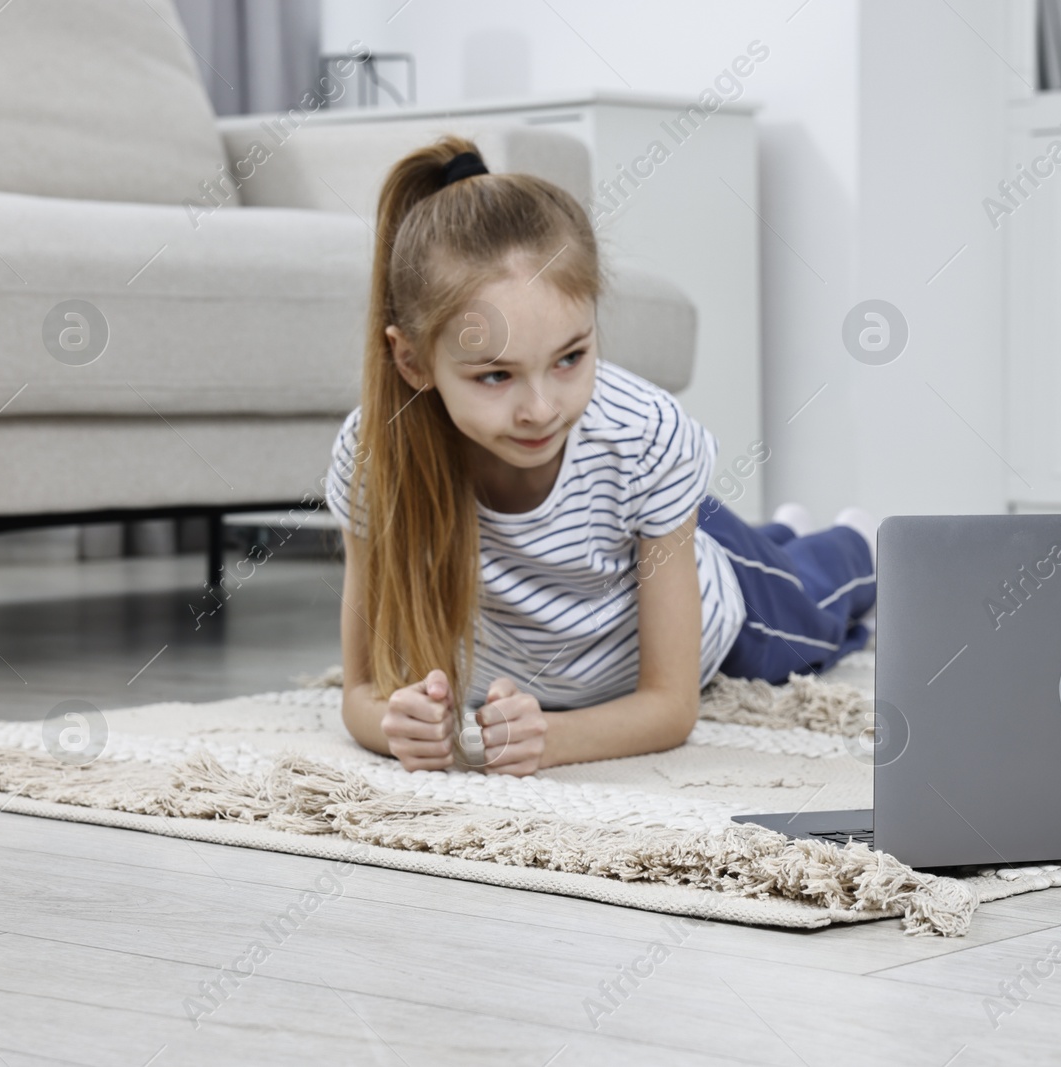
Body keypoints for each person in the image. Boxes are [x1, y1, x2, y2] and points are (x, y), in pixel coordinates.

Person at [327, 136, 876, 778]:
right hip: (641, 529)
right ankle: (776, 531)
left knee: (813, 610)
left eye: (570, 358)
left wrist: (553, 739)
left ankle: (853, 540)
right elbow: (360, 693)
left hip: (704, 580)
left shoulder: (644, 434)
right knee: (752, 540)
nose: (541, 409)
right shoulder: (374, 459)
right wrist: (394, 726)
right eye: (495, 377)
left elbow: (670, 707)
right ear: (413, 361)